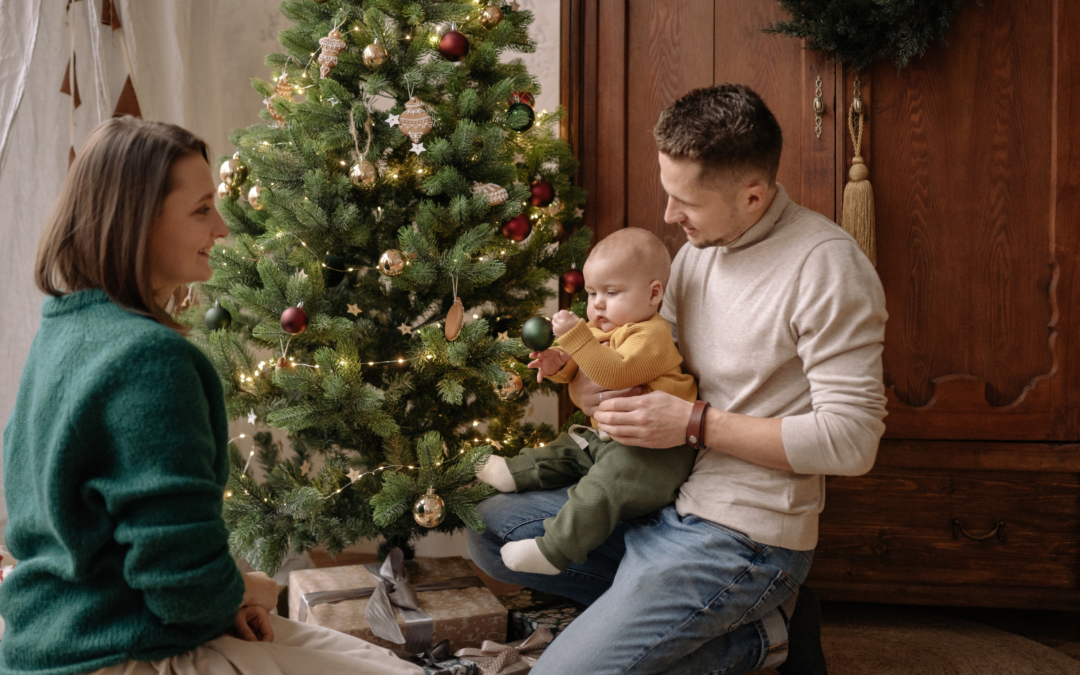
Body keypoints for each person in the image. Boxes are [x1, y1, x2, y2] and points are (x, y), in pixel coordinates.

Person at [468, 83, 887, 674]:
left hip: (744, 535)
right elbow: (637, 364)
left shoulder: (827, 268)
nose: (668, 215)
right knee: (487, 529)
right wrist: (589, 387)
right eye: (667, 194)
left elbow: (853, 440)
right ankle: (673, 622)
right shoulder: (696, 253)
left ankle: (765, 635)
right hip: (663, 496)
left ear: (752, 196)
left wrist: (693, 423)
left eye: (684, 201)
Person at [0, 117, 421, 675]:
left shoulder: (62, 329)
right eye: (201, 210)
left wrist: (231, 598)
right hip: (117, 653)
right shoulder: (151, 360)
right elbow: (181, 582)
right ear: (137, 221)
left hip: (48, 641)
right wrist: (245, 590)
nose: (221, 229)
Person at [477, 228, 698, 576]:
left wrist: (576, 337)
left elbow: (614, 373)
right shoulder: (602, 331)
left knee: (602, 486)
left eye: (611, 292)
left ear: (654, 293)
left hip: (654, 455)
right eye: (592, 292)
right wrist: (558, 366)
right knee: (570, 446)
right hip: (610, 439)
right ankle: (514, 472)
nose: (597, 304)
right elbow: (582, 366)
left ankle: (555, 550)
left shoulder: (652, 336)